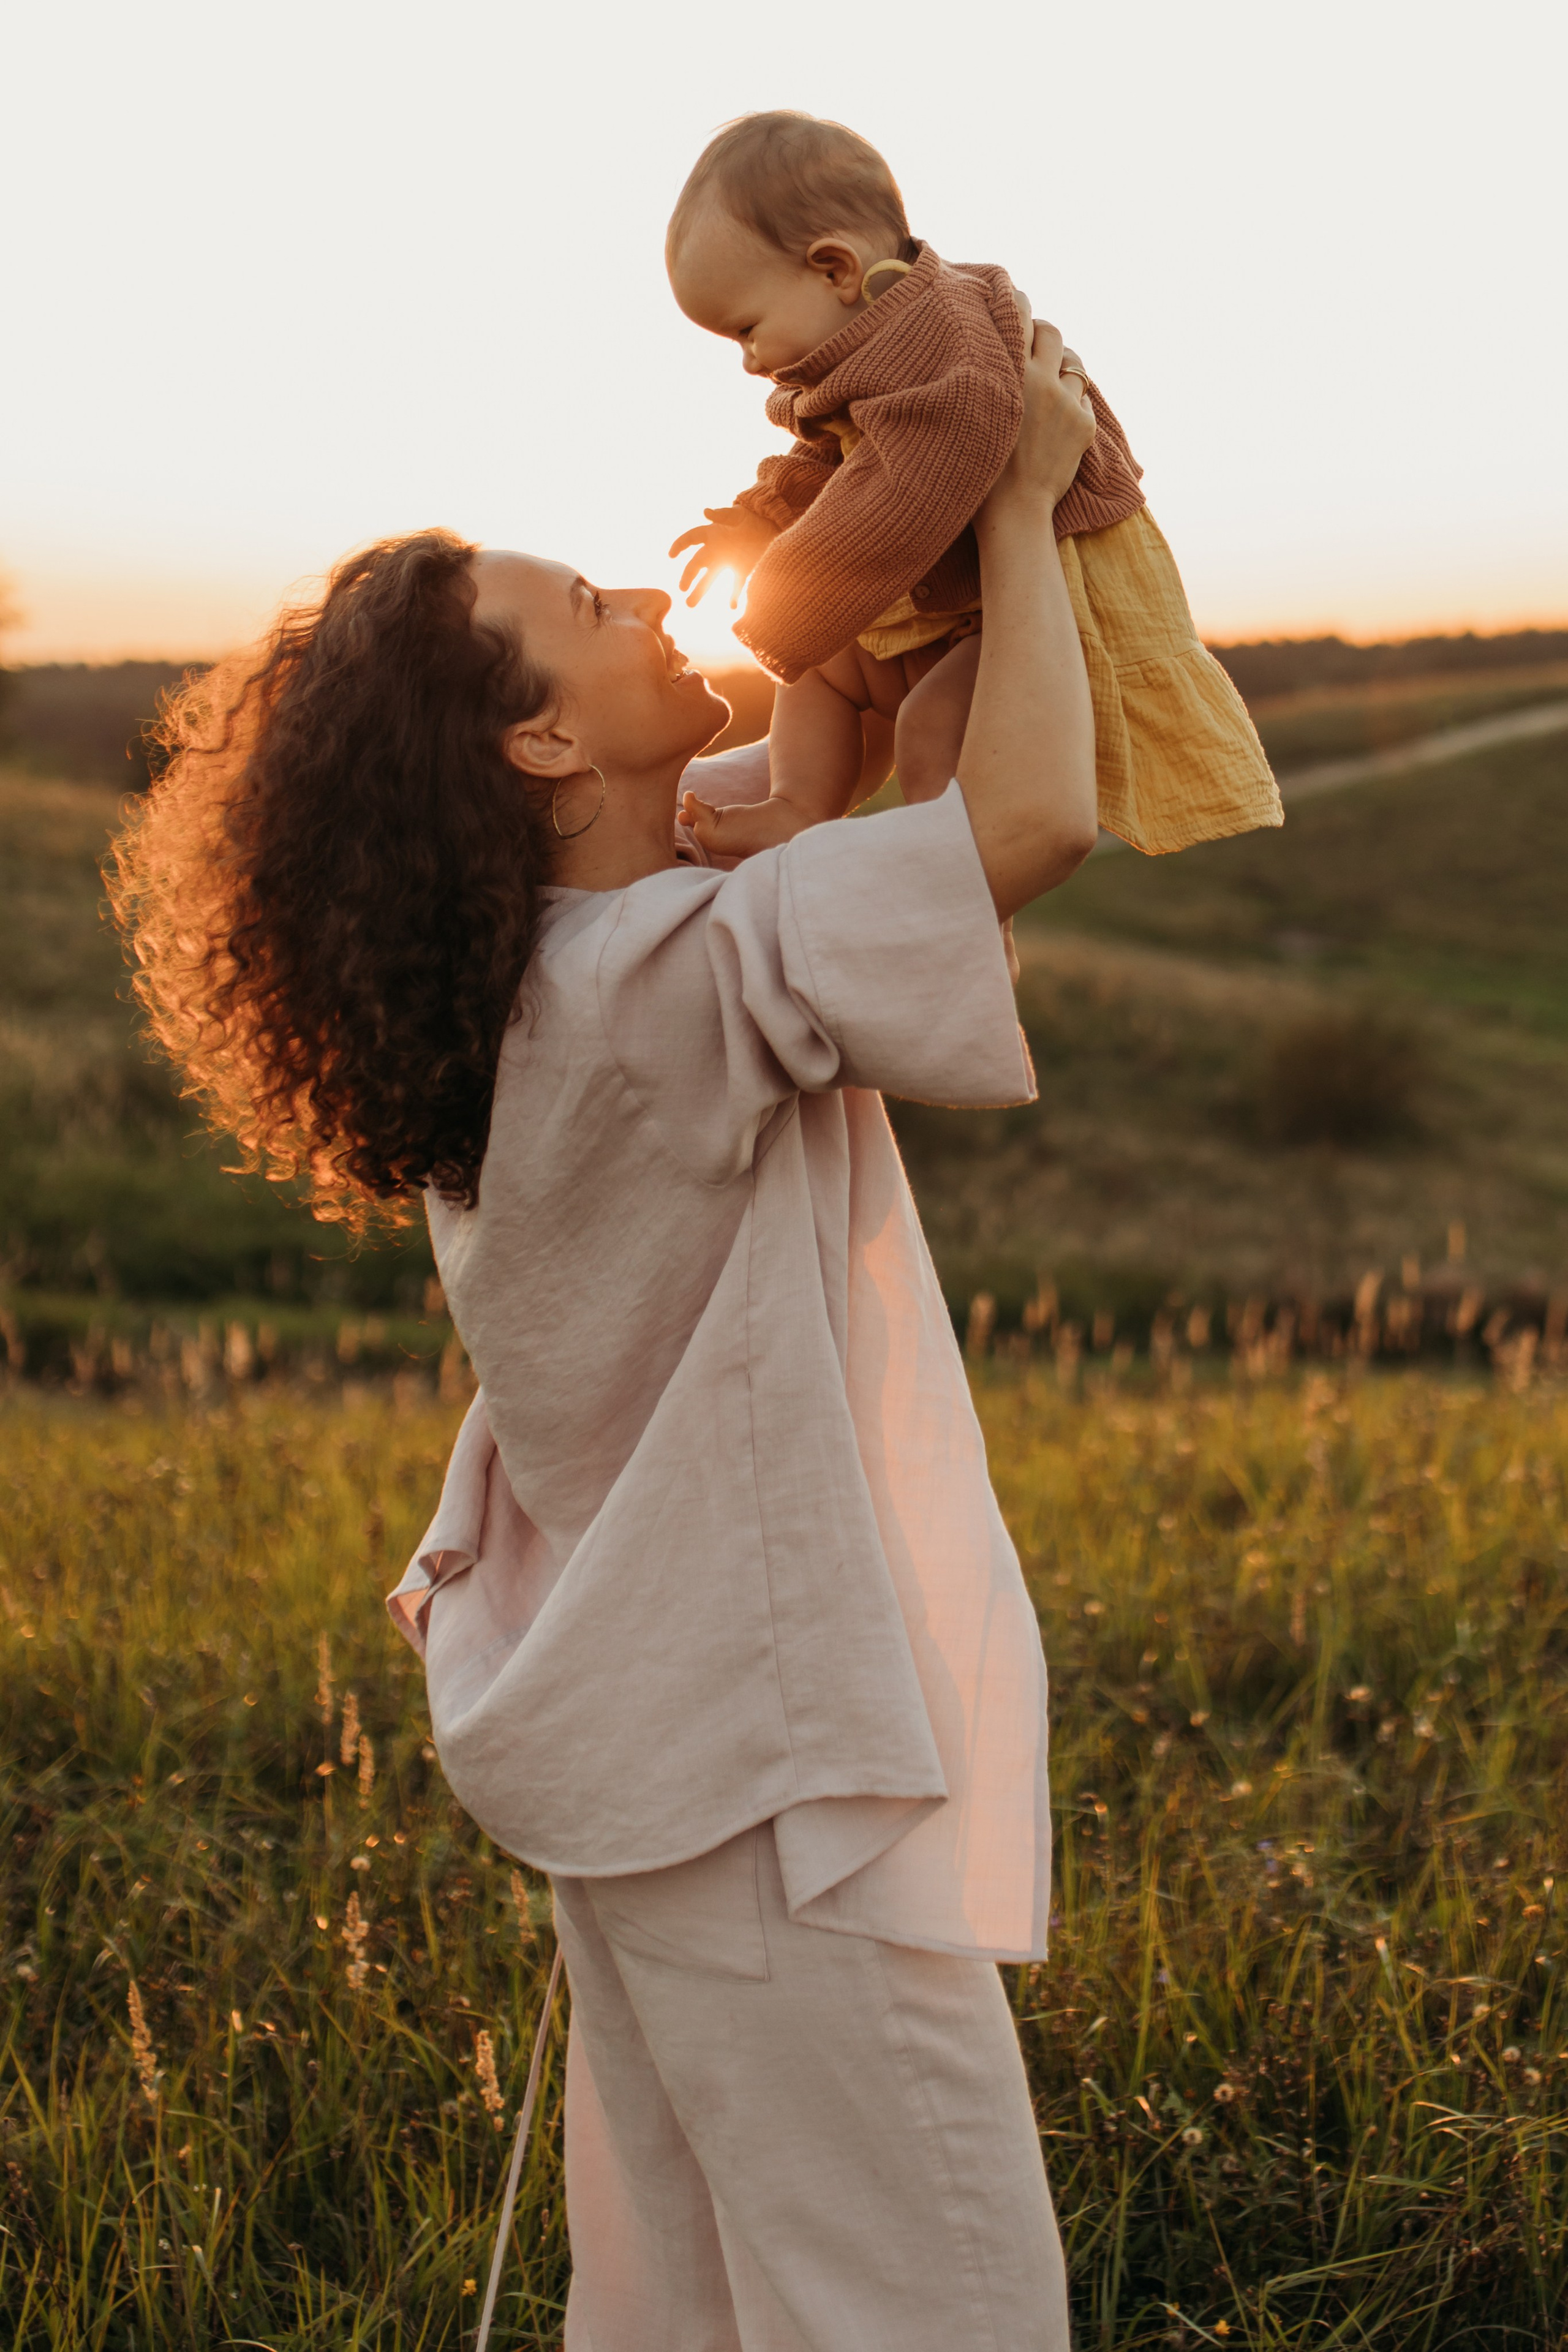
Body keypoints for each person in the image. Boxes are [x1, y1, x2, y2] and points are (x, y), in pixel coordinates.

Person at [110, 317, 1097, 2351]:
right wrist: (1011, 491)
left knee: (712, 2299)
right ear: (543, 751)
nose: (651, 593)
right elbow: (1026, 827)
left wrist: (835, 590)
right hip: (751, 1779)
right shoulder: (661, 985)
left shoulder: (545, 988)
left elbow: (825, 789)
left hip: (665, 1765)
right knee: (935, 2301)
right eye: (588, 611)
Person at [667, 109, 1280, 861]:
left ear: (833, 268)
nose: (750, 362)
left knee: (931, 728)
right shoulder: (882, 338)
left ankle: (964, 899)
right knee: (826, 670)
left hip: (1045, 605)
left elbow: (910, 487)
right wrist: (760, 519)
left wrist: (787, 599)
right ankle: (799, 804)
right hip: (968, 605)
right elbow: (846, 460)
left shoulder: (946, 342)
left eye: (745, 329)